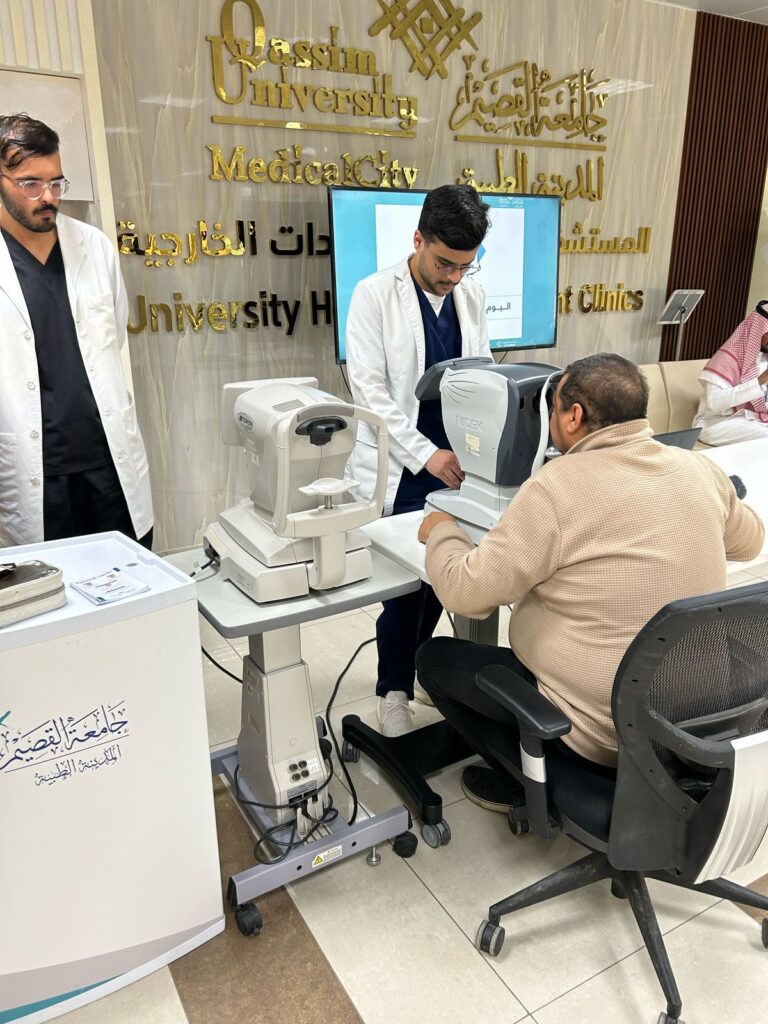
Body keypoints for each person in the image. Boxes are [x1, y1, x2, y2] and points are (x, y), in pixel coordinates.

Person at [415, 353, 764, 811]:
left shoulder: (555, 486)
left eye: (552, 406)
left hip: (599, 731)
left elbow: (466, 593)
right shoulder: (698, 469)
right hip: (693, 720)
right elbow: (750, 542)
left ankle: (539, 783)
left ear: (574, 416)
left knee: (435, 660)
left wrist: (442, 531)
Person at [345, 184, 491, 737]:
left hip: (459, 464)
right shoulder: (373, 295)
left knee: (444, 576)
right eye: (444, 263)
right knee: (404, 589)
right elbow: (370, 393)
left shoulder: (470, 296)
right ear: (418, 240)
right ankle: (393, 690)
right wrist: (427, 454)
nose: (454, 277)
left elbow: (483, 375)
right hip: (404, 463)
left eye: (465, 266)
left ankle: (422, 669)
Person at [0, 113, 153, 549]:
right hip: (34, 474)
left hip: (109, 465)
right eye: (30, 184)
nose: (48, 197)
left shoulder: (94, 246)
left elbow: (112, 335)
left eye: (56, 182)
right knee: (49, 584)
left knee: (131, 573)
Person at [693, 302, 768, 445]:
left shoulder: (764, 358)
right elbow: (714, 403)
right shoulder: (726, 359)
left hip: (750, 418)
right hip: (715, 422)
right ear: (757, 330)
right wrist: (761, 380)